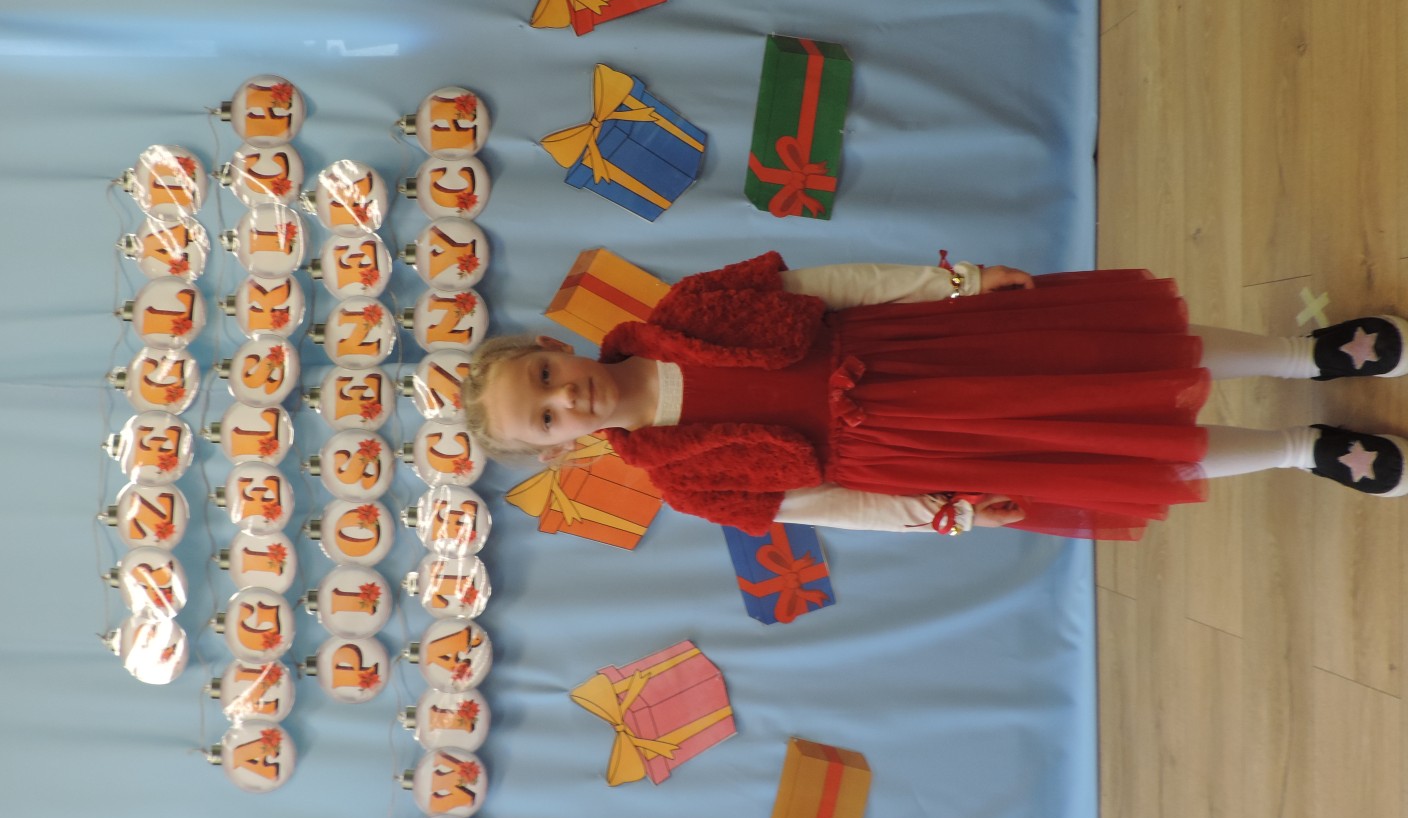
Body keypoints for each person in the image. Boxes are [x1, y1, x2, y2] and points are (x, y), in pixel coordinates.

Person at [464, 252, 1408, 540]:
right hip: (921, 447)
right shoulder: (685, 481)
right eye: (546, 420)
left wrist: (952, 284)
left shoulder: (685, 310)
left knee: (1121, 357)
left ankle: (1307, 356)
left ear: (553, 347)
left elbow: (833, 287)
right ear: (559, 450)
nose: (567, 400)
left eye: (545, 379)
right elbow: (829, 506)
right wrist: (942, 513)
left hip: (918, 347)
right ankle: (1300, 450)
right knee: (1110, 447)